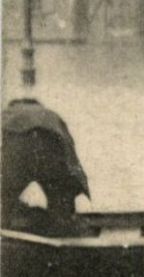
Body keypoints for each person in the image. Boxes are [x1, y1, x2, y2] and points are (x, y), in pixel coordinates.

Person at [2, 97, 90, 236]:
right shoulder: (51, 116)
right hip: (51, 145)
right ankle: (64, 228)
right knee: (61, 204)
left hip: (18, 148)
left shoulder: (7, 114)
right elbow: (70, 156)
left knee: (5, 201)